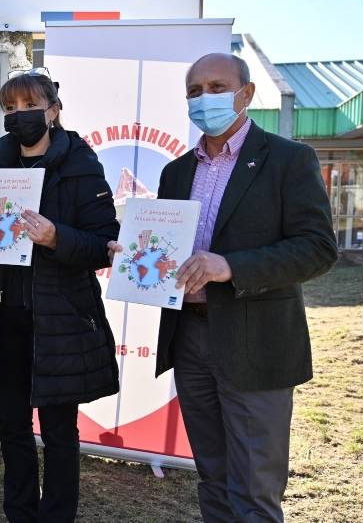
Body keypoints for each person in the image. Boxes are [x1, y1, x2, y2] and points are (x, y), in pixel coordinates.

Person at [110, 53, 338, 522]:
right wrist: (136, 256)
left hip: (257, 342)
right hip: (189, 338)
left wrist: (230, 266)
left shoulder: (290, 160)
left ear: (246, 94)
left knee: (255, 488)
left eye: (216, 87)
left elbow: (317, 248)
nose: (204, 98)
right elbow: (172, 249)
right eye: (194, 91)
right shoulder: (175, 172)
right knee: (212, 477)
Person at [0, 70, 120, 523]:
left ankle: (57, 515)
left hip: (60, 319)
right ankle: (20, 514)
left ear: (53, 111)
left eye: (28, 105)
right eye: (9, 108)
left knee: (60, 431)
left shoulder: (83, 166)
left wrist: (54, 238)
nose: (19, 116)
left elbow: (104, 243)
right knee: (12, 429)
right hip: (5, 318)